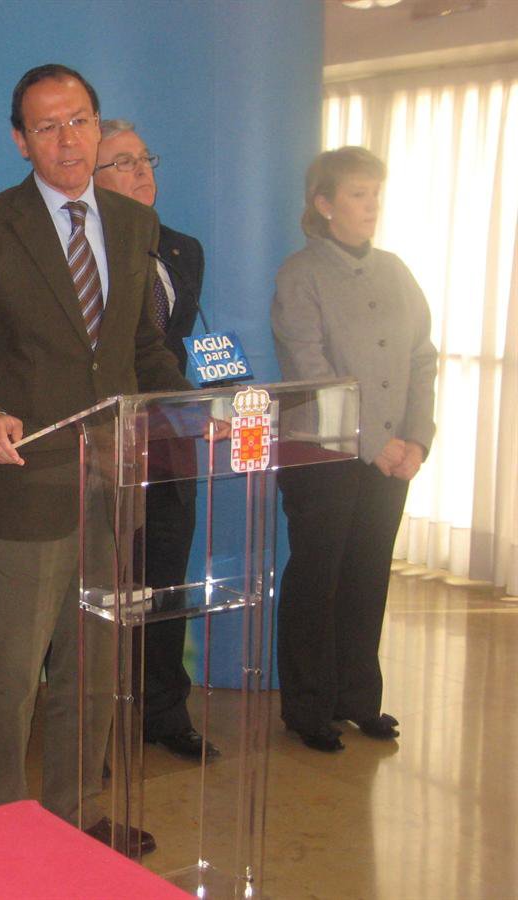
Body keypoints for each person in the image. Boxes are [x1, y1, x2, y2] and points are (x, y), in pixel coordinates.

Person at [0, 65, 190, 849]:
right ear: (20, 141)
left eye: (78, 121)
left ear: (98, 126)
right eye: (47, 126)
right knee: (13, 676)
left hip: (114, 481)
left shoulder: (133, 223)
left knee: (94, 669)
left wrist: (197, 408)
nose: (67, 139)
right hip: (26, 484)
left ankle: (80, 815)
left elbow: (139, 348)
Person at [272, 146, 437, 753]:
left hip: (393, 457)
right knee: (318, 579)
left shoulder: (395, 270)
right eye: (358, 194)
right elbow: (311, 370)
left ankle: (358, 699)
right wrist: (375, 443)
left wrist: (417, 438)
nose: (371, 206)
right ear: (324, 204)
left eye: (375, 194)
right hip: (324, 456)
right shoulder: (300, 274)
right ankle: (309, 708)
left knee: (368, 576)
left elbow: (422, 357)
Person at [94, 120, 216, 761]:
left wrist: (201, 402)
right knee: (99, 589)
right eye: (122, 162)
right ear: (91, 179)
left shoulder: (182, 250)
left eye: (144, 158)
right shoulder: (80, 251)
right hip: (103, 444)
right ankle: (91, 723)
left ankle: (164, 712)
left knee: (165, 583)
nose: (141, 171)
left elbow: (171, 347)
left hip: (170, 440)